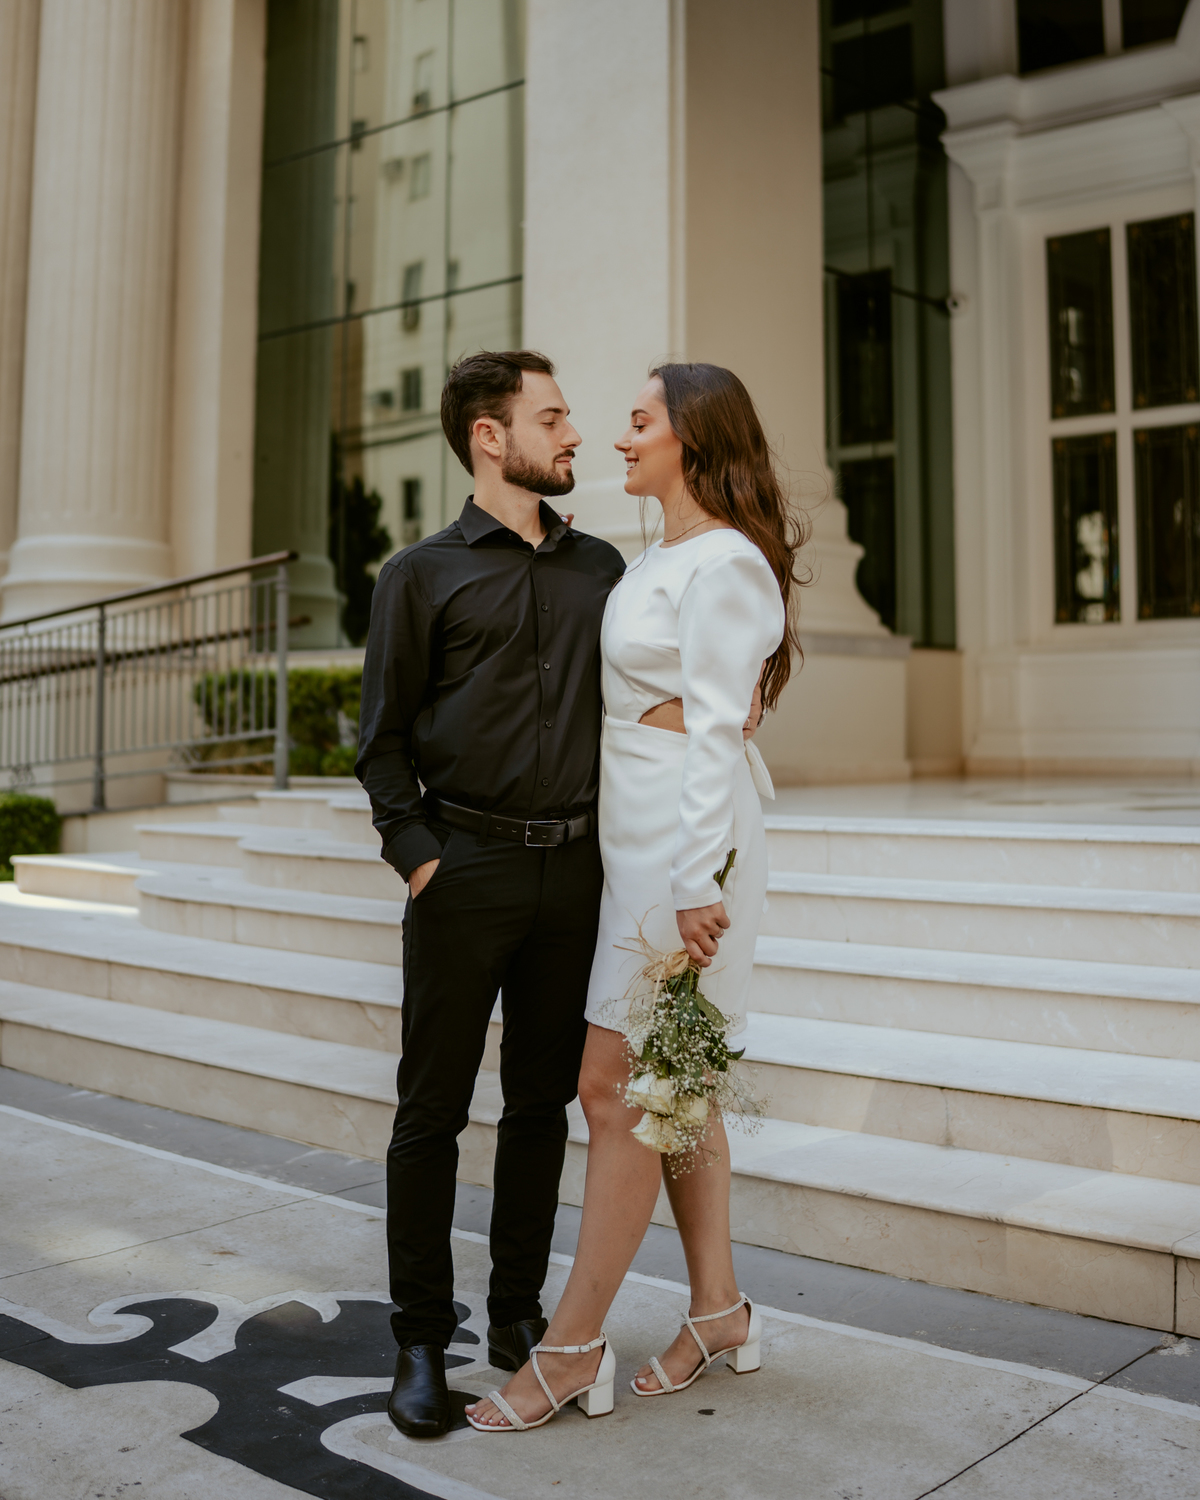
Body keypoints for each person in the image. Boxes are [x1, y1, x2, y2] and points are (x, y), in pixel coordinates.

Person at [466, 362, 803, 1432]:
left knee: (618, 1090)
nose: (620, 439)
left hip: (684, 860)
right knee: (678, 1088)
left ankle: (569, 1349)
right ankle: (719, 1312)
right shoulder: (665, 555)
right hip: (641, 847)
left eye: (641, 421)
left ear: (694, 439)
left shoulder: (727, 565)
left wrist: (700, 884)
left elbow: (713, 732)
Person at [355, 350, 626, 1438]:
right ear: (487, 435)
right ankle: (422, 1338)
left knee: (538, 1107)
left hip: (577, 874)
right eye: (552, 416)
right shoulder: (417, 576)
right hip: (465, 869)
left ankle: (518, 1316)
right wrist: (424, 858)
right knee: (431, 1112)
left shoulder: (604, 568)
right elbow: (381, 749)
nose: (573, 434)